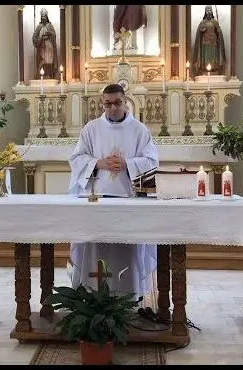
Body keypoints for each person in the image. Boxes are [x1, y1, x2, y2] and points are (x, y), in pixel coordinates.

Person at [67, 83, 159, 298]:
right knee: (95, 250)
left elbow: (152, 161)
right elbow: (76, 159)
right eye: (107, 104)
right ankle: (91, 295)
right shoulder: (91, 129)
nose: (113, 108)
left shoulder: (139, 130)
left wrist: (128, 164)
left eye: (117, 103)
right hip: (96, 199)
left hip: (129, 199)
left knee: (126, 251)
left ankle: (128, 297)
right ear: (102, 103)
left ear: (125, 101)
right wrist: (98, 163)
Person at [191, 5, 227, 77]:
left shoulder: (215, 22)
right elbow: (199, 32)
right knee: (206, 55)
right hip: (205, 42)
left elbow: (218, 32)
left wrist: (219, 32)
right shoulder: (202, 22)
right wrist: (202, 30)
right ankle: (204, 68)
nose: (209, 11)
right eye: (207, 10)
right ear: (205, 12)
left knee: (213, 55)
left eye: (210, 10)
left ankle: (214, 69)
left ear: (212, 12)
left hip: (213, 42)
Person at [32, 8, 57, 80]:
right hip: (41, 46)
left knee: (49, 59)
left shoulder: (49, 26)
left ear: (47, 18)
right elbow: (34, 35)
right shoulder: (39, 26)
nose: (43, 19)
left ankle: (49, 74)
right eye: (42, 18)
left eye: (45, 18)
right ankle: (41, 74)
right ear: (41, 18)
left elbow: (54, 35)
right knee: (42, 59)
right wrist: (38, 40)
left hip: (49, 45)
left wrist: (49, 34)